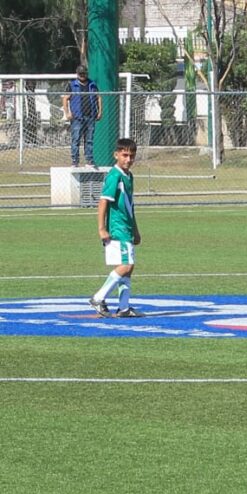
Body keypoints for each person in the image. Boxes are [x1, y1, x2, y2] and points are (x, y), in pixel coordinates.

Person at [88, 138, 142, 318]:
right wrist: (101, 228)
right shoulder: (114, 175)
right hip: (117, 228)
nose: (128, 159)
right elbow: (103, 201)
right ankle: (98, 297)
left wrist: (135, 229)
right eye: (125, 155)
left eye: (132, 156)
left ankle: (124, 307)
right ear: (116, 155)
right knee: (126, 265)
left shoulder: (129, 176)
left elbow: (129, 205)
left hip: (126, 227)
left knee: (128, 267)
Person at [62, 64, 103, 168]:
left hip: (90, 116)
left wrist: (99, 112)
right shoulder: (71, 85)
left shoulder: (92, 84)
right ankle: (75, 161)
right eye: (80, 74)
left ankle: (89, 160)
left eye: (84, 73)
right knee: (76, 139)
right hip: (77, 117)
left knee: (89, 140)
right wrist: (67, 113)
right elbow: (65, 99)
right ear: (77, 74)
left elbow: (98, 98)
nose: (82, 75)